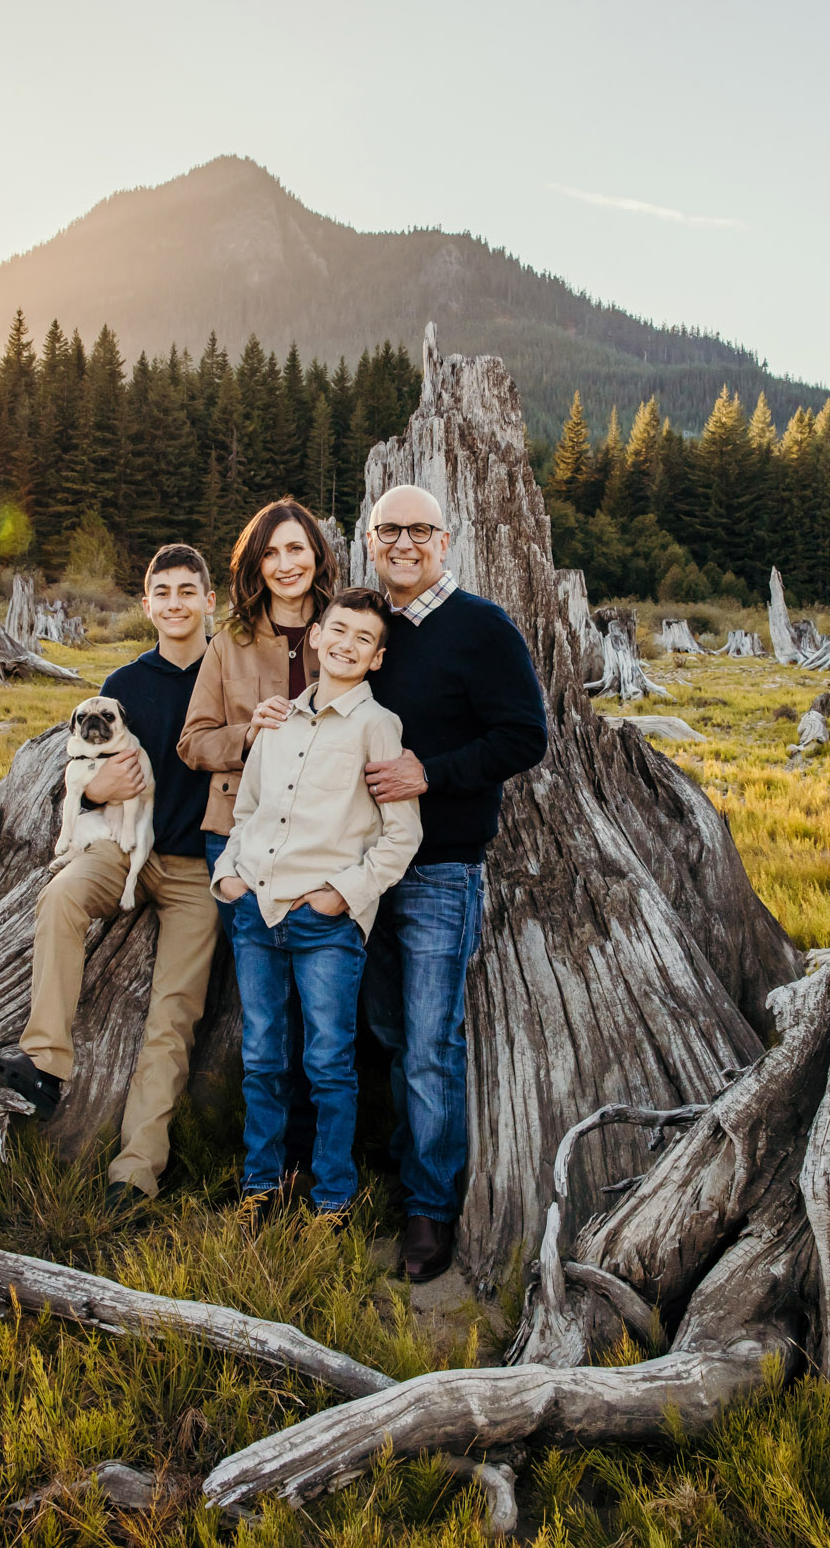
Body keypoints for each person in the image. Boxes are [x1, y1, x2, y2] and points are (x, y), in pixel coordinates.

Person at [0, 545, 220, 1203]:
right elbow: (83, 768)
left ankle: (136, 1171)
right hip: (121, 847)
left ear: (209, 600)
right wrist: (100, 789)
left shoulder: (229, 673)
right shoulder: (124, 686)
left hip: (199, 868)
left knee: (173, 1015)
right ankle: (45, 1064)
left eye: (187, 590)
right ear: (146, 605)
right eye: (161, 591)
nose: (174, 602)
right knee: (61, 897)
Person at [360, 484, 548, 1281]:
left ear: (445, 539)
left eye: (418, 530)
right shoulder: (369, 630)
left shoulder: (482, 626)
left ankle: (431, 1211)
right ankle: (400, 1175)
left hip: (440, 867)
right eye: (387, 529)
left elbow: (525, 736)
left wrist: (426, 775)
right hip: (363, 870)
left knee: (432, 1042)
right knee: (387, 1035)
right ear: (370, 541)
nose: (403, 542)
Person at [213, 587, 421, 1220]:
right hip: (254, 912)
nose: (347, 644)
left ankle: (332, 1196)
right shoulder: (275, 720)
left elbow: (401, 834)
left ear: (377, 658)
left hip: (323, 922)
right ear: (315, 636)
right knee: (262, 1059)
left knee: (329, 1064)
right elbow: (245, 810)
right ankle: (260, 1187)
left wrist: (343, 896)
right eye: (338, 630)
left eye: (364, 638)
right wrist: (229, 877)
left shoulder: (378, 727)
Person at [178, 498, 338, 1181]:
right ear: (255, 565)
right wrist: (249, 734)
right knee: (266, 1021)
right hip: (241, 842)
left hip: (327, 846)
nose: (285, 564)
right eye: (270, 553)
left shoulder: (348, 630)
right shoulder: (230, 643)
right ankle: (262, 1175)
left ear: (318, 556)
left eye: (296, 549)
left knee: (325, 1017)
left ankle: (317, 1161)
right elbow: (192, 741)